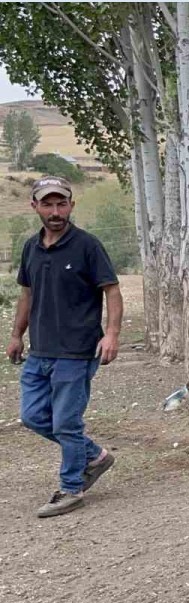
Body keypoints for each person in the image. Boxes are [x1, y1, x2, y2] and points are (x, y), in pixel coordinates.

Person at [7, 176, 123, 518]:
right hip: (40, 351)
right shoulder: (31, 247)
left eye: (61, 204)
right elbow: (27, 294)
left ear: (71, 205)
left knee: (66, 423)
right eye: (48, 204)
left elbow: (112, 290)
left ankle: (71, 488)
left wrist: (111, 334)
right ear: (35, 206)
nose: (55, 212)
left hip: (77, 351)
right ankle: (95, 456)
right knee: (32, 416)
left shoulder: (87, 245)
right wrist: (16, 335)